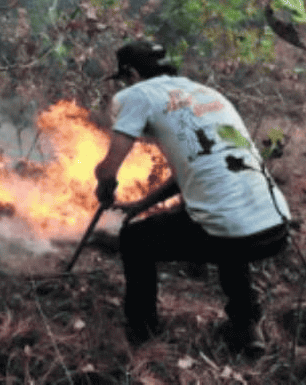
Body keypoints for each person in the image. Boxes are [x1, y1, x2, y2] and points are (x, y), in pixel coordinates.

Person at [93, 41, 291, 356]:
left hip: (231, 231)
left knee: (134, 239)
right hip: (277, 225)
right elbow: (194, 170)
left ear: (131, 73)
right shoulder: (209, 95)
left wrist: (104, 183)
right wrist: (142, 205)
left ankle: (141, 336)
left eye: (124, 77)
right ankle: (246, 325)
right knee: (227, 217)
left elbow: (109, 167)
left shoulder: (137, 95)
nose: (124, 84)